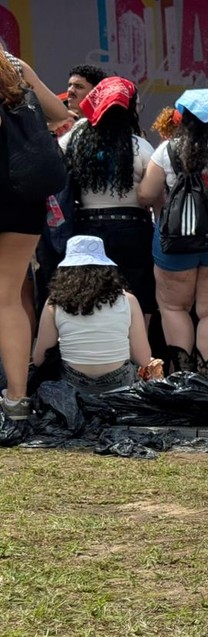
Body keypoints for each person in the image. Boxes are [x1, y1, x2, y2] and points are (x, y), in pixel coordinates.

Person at [138, 89, 208, 380]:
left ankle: (182, 379)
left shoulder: (166, 150)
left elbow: (147, 193)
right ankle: (206, 381)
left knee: (173, 308)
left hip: (174, 239)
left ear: (181, 117)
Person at [0, 52, 70, 420]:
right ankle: (17, 400)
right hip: (22, 194)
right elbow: (60, 114)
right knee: (7, 299)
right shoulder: (14, 67)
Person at [60, 76, 158, 317]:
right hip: (133, 228)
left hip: (86, 227)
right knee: (138, 295)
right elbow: (154, 193)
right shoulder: (140, 146)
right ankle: (140, 342)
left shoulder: (75, 139)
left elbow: (55, 163)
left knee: (89, 296)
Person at [33, 236, 158, 394]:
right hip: (119, 384)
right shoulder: (128, 300)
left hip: (72, 385)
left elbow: (39, 359)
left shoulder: (54, 302)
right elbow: (143, 359)